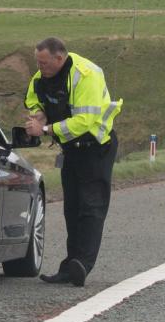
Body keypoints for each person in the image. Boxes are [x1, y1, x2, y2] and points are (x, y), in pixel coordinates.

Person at [23, 37, 122, 287]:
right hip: (72, 150)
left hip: (96, 147)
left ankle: (83, 264)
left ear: (60, 57)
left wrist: (44, 129)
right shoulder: (41, 76)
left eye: (44, 63)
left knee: (91, 205)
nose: (40, 67)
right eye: (38, 62)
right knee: (72, 207)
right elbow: (32, 97)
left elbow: (84, 122)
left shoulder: (85, 75)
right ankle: (71, 264)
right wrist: (38, 112)